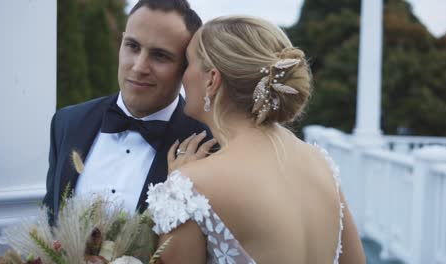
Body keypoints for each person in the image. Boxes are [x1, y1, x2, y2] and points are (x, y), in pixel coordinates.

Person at [146, 16, 366, 263]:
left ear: (212, 80)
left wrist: (180, 183)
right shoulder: (321, 164)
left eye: (187, 63)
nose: (181, 76)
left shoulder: (189, 188)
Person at [42, 0, 216, 221]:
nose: (139, 67)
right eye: (133, 46)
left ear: (185, 67)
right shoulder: (66, 122)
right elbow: (50, 221)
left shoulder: (207, 143)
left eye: (160, 55)